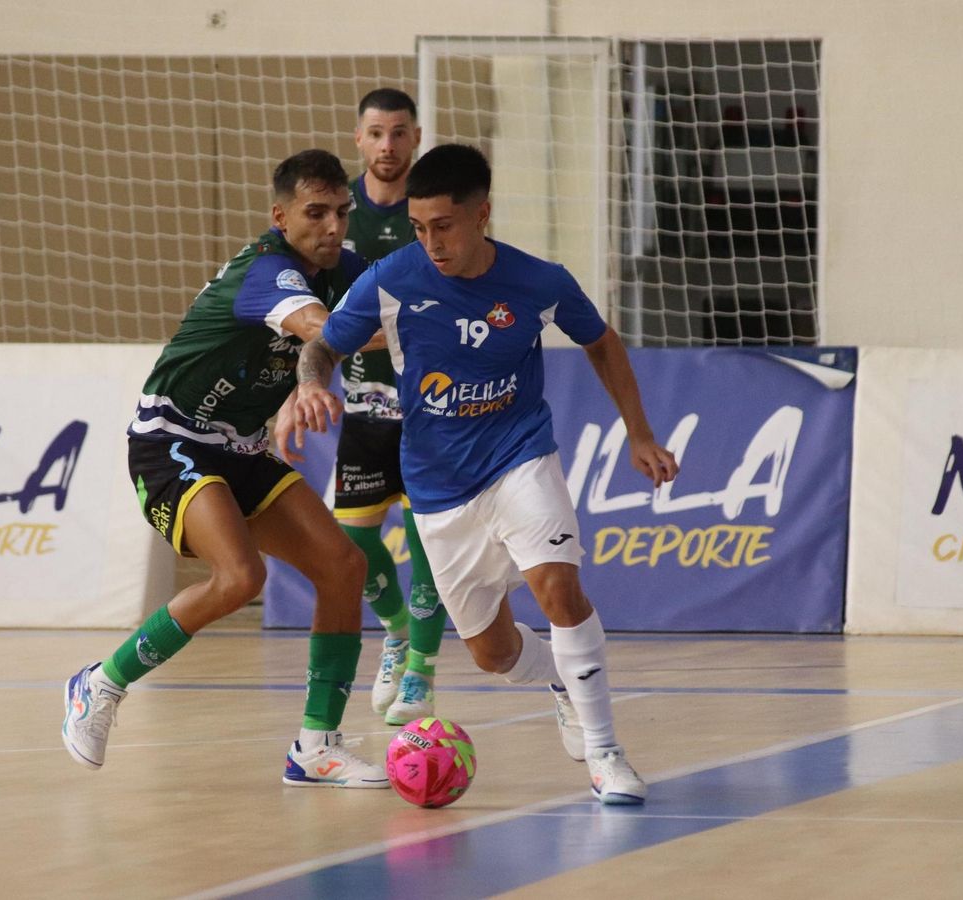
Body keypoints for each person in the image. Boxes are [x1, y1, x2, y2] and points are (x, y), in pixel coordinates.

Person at [287, 143, 679, 805]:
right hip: (439, 486)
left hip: (519, 454)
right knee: (493, 654)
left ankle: (607, 754)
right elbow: (325, 345)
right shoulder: (393, 280)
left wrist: (637, 431)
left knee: (557, 589)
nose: (431, 242)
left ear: (482, 215)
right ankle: (561, 676)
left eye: (443, 225)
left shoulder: (538, 282)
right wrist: (306, 386)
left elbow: (600, 340)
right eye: (419, 227)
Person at [62, 149, 388, 789]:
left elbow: (381, 301)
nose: (332, 227)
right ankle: (99, 684)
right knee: (241, 575)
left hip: (239, 447)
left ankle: (316, 745)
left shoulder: (343, 268)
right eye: (314, 213)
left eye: (342, 213)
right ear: (280, 216)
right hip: (170, 440)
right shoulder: (267, 272)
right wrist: (387, 333)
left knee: (343, 565)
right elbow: (322, 328)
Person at [279, 87, 446, 728]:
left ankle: (421, 676)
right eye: (376, 133)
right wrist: (305, 382)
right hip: (365, 406)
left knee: (430, 538)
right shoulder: (335, 212)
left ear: (416, 136)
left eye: (399, 133)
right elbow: (311, 316)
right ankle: (398, 631)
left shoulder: (432, 210)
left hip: (431, 407)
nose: (387, 145)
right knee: (353, 539)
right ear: (358, 139)